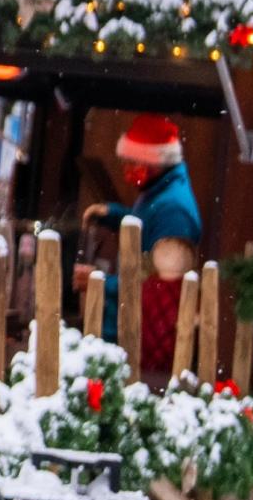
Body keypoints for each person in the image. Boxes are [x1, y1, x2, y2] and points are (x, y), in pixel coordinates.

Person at [82, 113, 203, 366]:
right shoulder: (157, 193)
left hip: (144, 340)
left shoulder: (173, 211)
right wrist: (114, 215)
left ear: (157, 162)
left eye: (134, 165)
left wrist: (100, 283)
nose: (128, 173)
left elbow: (155, 283)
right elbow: (148, 229)